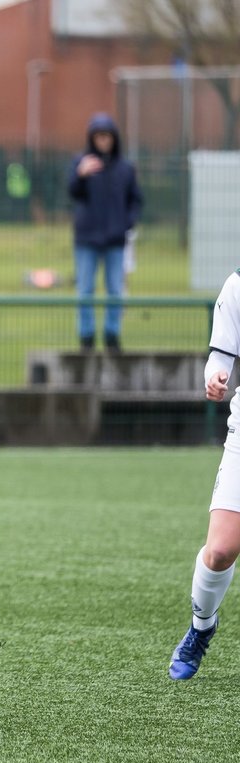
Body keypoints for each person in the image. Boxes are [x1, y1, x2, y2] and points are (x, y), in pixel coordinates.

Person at [168, 266, 240, 679]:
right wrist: (214, 378)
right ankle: (201, 629)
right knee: (218, 552)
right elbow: (220, 355)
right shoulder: (237, 285)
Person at [67, 112, 143, 353]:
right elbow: (72, 192)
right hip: (87, 238)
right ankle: (86, 337)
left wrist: (127, 223)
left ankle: (112, 335)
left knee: (115, 289)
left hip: (114, 240)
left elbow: (135, 200)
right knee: (85, 289)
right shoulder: (81, 163)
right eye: (98, 136)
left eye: (106, 136)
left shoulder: (125, 168)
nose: (103, 141)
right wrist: (81, 174)